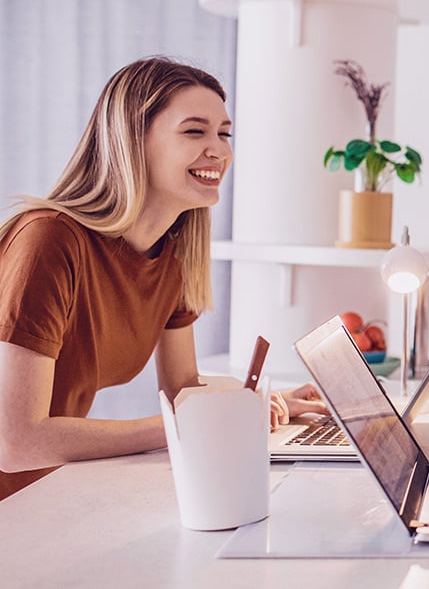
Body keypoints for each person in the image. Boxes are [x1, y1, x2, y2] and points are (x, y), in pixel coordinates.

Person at [0, 57, 326, 501]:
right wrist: (189, 424)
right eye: (195, 131)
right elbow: (17, 442)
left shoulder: (171, 253)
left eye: (224, 133)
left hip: (44, 494)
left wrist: (261, 400)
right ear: (133, 141)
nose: (220, 150)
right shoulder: (49, 240)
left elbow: (183, 388)